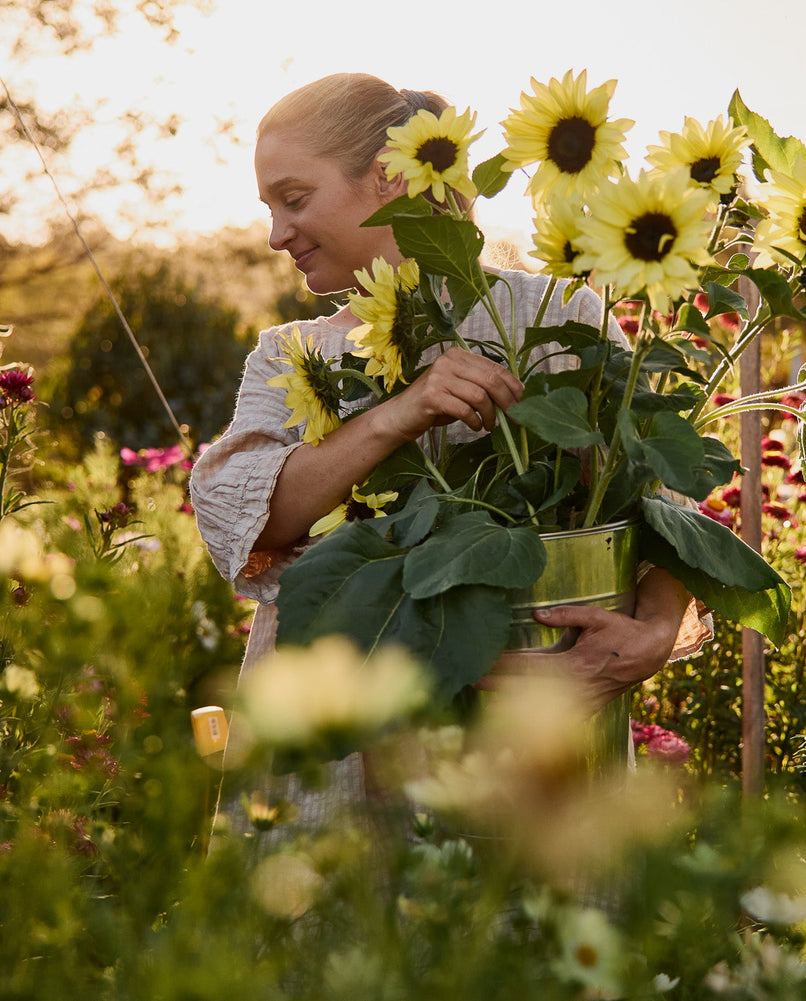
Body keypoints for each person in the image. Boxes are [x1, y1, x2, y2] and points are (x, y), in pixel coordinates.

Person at [189, 73, 706, 834]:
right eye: (269, 208)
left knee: (521, 941)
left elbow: (664, 506)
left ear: (391, 177)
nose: (276, 235)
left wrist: (653, 634)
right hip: (339, 748)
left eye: (293, 199)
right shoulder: (290, 355)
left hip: (532, 736)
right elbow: (252, 521)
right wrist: (403, 411)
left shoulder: (554, 313)